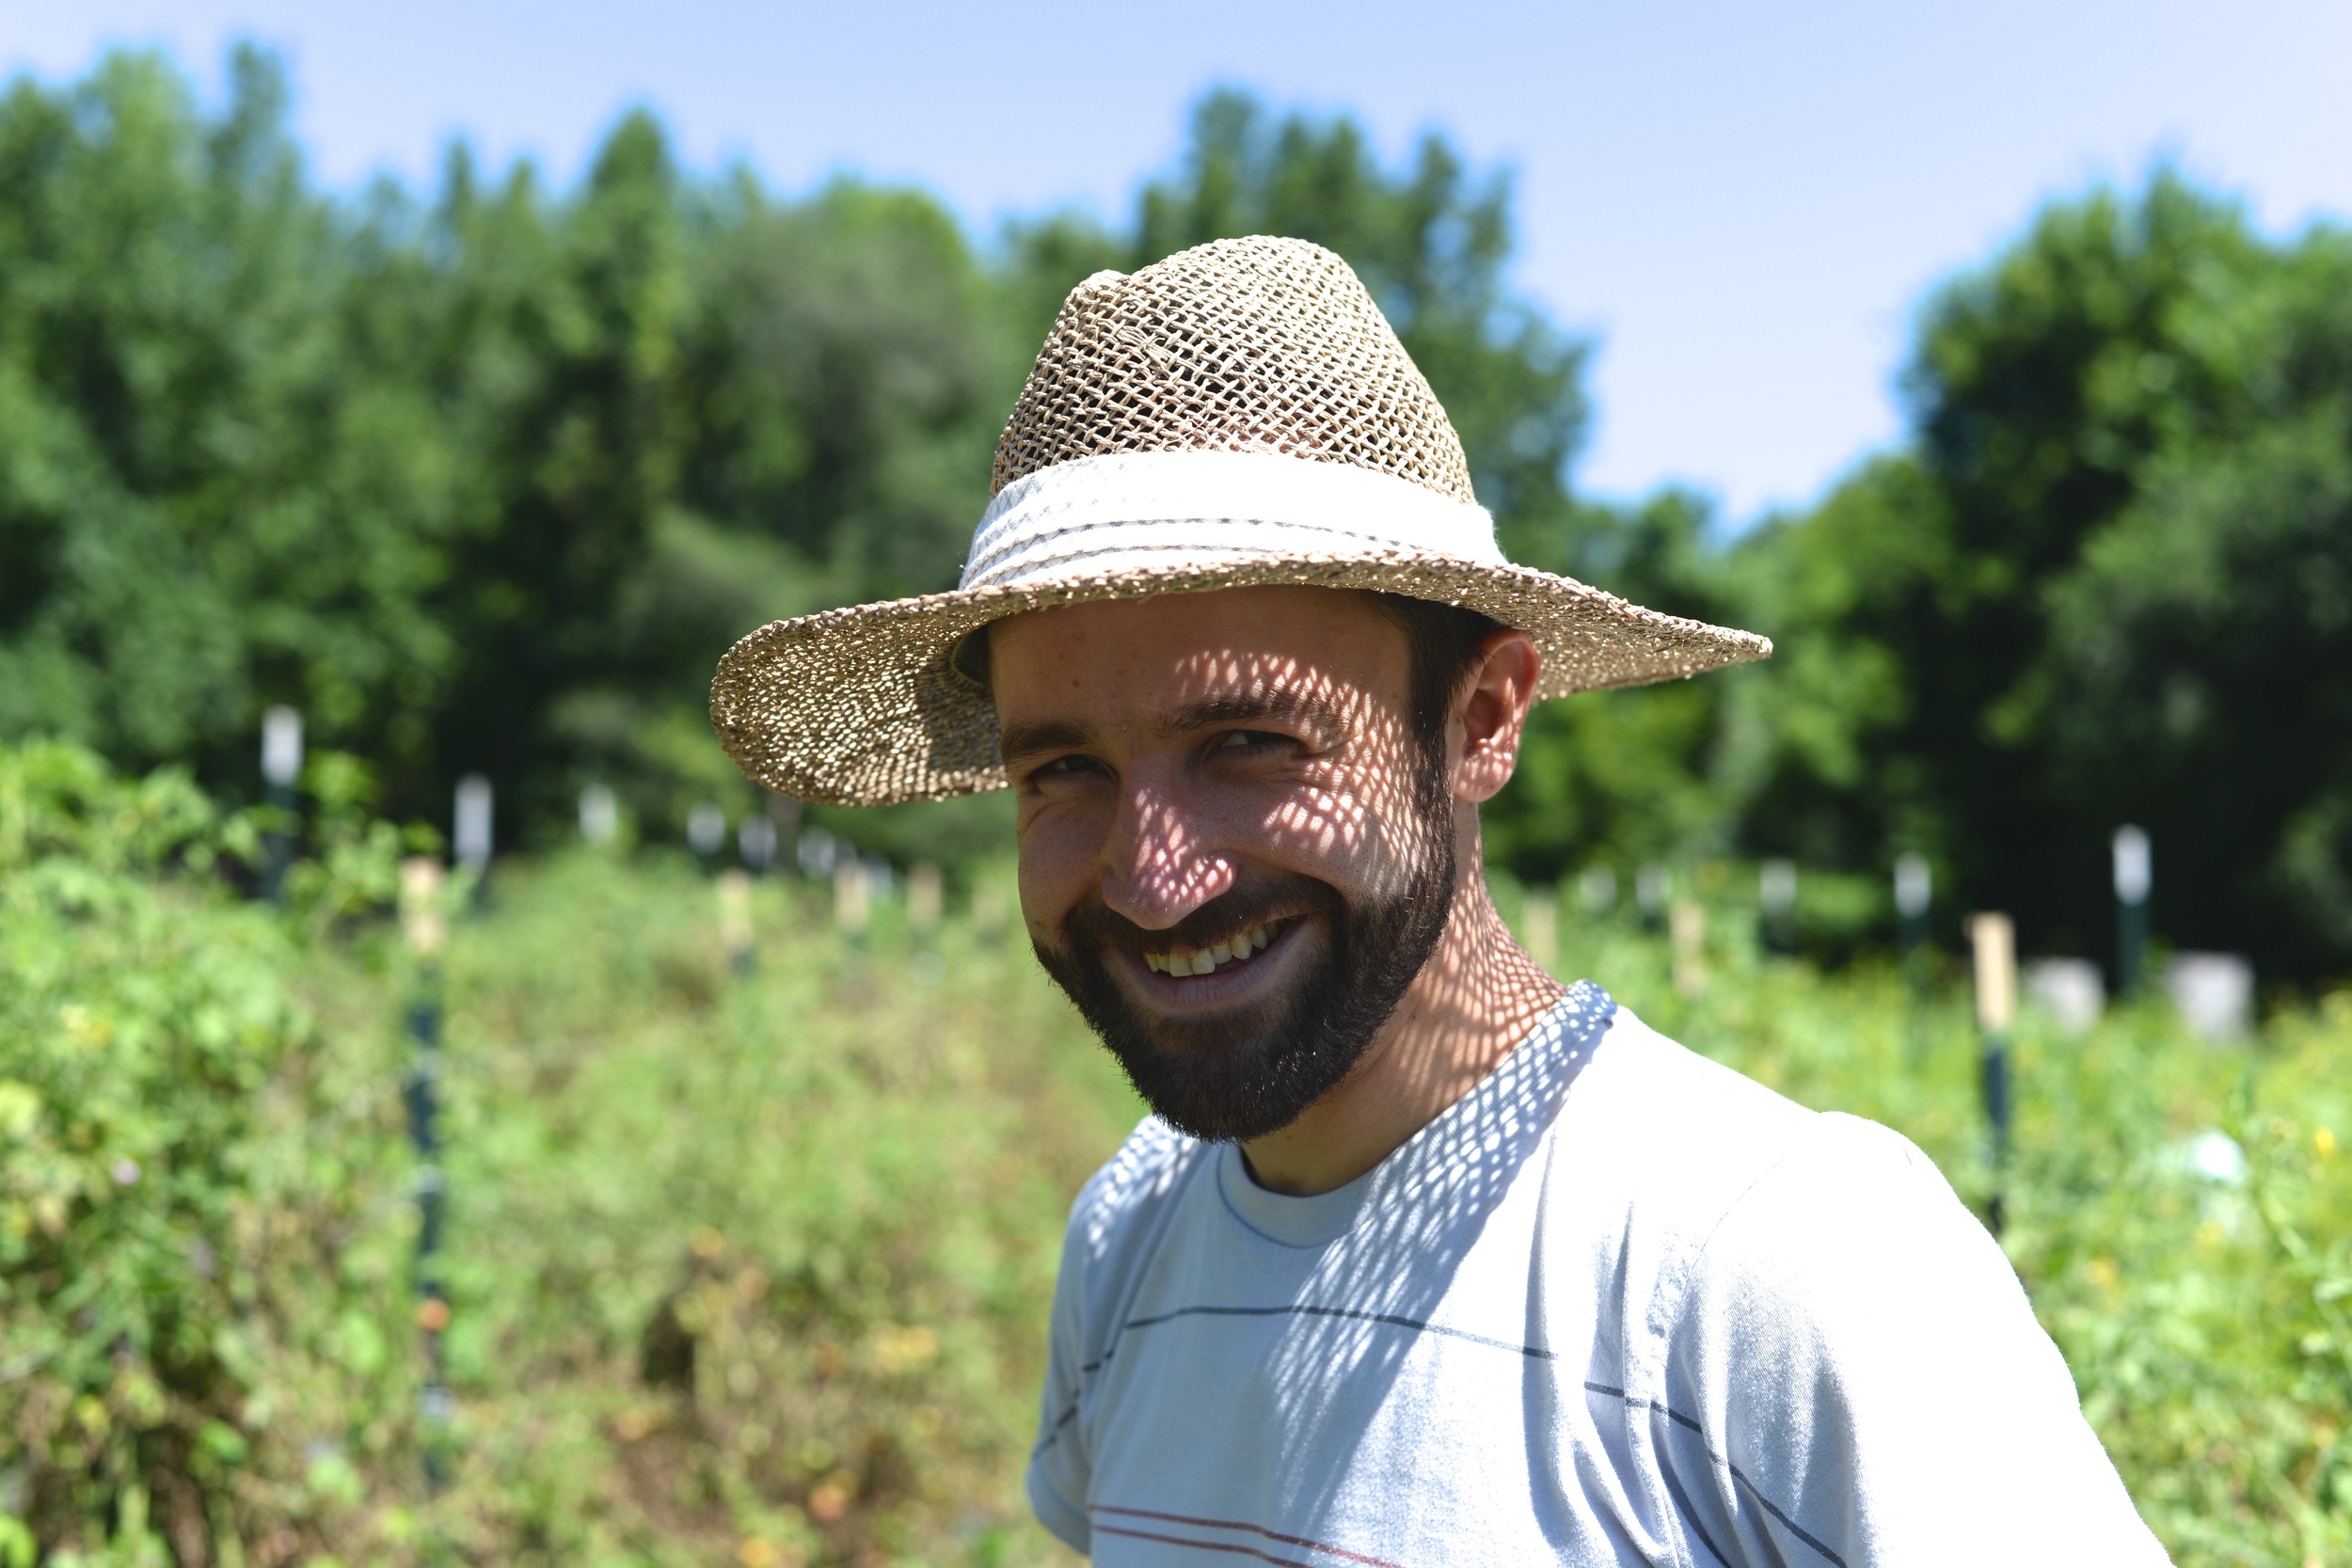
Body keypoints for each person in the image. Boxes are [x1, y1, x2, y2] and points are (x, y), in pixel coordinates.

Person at [711, 237, 2169, 1566]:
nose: (1152, 876)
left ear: (1481, 719)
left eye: (1249, 743)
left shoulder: (1771, 1269)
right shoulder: (1131, 1242)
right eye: (1064, 771)